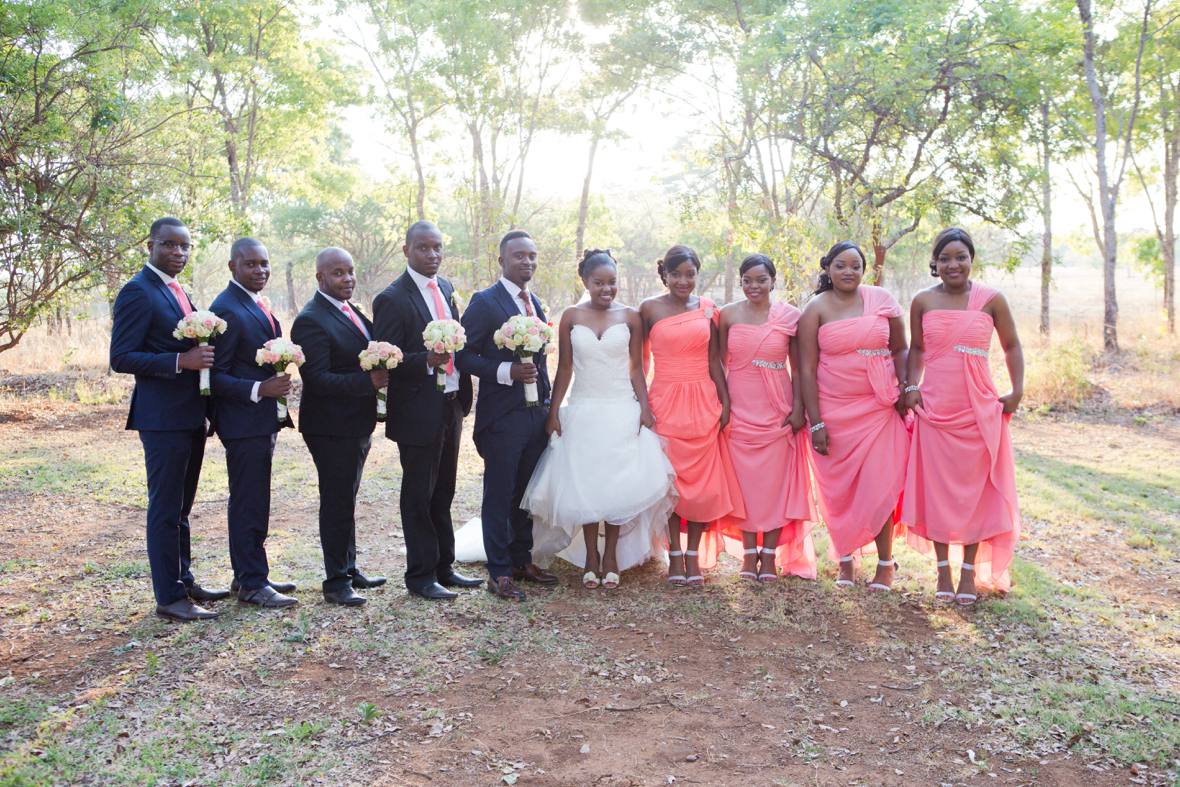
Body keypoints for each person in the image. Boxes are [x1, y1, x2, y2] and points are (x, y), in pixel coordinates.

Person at [521, 249, 676, 589]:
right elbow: (564, 368)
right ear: (585, 282)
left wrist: (645, 408)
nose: (607, 289)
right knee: (587, 483)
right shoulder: (571, 316)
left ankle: (611, 557)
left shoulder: (631, 317)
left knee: (617, 482)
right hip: (584, 407)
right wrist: (553, 413)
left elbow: (636, 367)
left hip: (621, 406)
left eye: (612, 283)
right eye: (599, 283)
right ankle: (591, 555)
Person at [110, 217, 229, 621]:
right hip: (161, 418)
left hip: (191, 414)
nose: (178, 252)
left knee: (182, 507)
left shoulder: (179, 291)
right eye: (170, 245)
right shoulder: (137, 292)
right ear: (151, 246)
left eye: (185, 247)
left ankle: (184, 579)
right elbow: (121, 357)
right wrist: (181, 360)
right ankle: (169, 597)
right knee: (164, 507)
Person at [902, 227, 1023, 605]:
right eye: (945, 258)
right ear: (934, 264)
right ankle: (942, 570)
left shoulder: (992, 300)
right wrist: (910, 386)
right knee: (937, 488)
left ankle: (969, 571)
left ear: (971, 260)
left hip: (978, 407)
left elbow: (1012, 345)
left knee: (975, 491)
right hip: (935, 406)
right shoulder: (922, 301)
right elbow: (917, 350)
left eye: (961, 257)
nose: (953, 264)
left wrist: (1016, 391)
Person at [372, 222, 480, 601]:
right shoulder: (392, 298)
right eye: (423, 248)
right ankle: (419, 576)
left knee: (445, 490)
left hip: (451, 403)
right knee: (419, 492)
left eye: (437, 248)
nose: (432, 255)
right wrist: (426, 359)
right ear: (406, 250)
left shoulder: (447, 288)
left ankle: (444, 566)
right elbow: (388, 357)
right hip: (418, 409)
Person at [797, 241, 909, 591]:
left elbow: (900, 348)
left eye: (856, 266)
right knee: (839, 490)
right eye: (841, 266)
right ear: (828, 269)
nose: (849, 272)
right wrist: (815, 421)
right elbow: (805, 368)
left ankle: (886, 563)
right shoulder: (816, 308)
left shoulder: (882, 300)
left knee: (879, 486)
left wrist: (905, 387)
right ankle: (845, 559)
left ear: (865, 270)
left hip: (878, 407)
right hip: (833, 410)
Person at [456, 230, 557, 601]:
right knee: (499, 493)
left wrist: (547, 407)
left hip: (536, 414)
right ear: (502, 260)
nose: (527, 262)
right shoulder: (485, 302)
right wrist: (506, 372)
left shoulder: (537, 305)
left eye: (531, 255)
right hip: (502, 416)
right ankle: (498, 572)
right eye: (518, 256)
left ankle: (521, 559)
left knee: (525, 491)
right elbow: (462, 356)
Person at [290, 247, 389, 607]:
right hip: (330, 426)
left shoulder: (353, 311)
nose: (346, 279)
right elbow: (316, 379)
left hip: (355, 422)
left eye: (350, 271)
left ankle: (349, 567)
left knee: (347, 497)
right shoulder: (311, 320)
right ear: (320, 278)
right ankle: (335, 582)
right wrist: (370, 382)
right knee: (336, 501)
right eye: (337, 273)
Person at [640, 244, 744, 587]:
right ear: (664, 275)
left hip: (703, 398)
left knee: (701, 483)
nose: (684, 281)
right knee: (671, 480)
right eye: (676, 274)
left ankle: (693, 555)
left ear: (698, 274)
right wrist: (641, 405)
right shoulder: (649, 309)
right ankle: (673, 555)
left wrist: (725, 401)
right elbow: (640, 364)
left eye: (690, 274)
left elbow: (716, 359)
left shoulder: (708, 309)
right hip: (665, 399)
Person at [209, 238, 297, 609]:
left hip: (261, 421)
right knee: (248, 500)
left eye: (264, 264)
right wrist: (261, 388)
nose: (260, 270)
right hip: (242, 421)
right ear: (233, 267)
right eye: (251, 264)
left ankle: (248, 572)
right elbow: (214, 376)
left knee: (255, 498)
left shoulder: (256, 302)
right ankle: (251, 583)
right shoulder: (225, 308)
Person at [718, 254, 816, 582]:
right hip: (740, 408)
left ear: (773, 281)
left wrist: (799, 407)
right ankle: (749, 555)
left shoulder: (790, 317)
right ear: (741, 281)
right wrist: (723, 404)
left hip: (778, 408)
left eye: (761, 279)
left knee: (776, 485)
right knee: (744, 484)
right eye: (748, 280)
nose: (754, 286)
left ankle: (770, 555)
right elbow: (718, 364)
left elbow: (802, 367)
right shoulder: (728, 315)